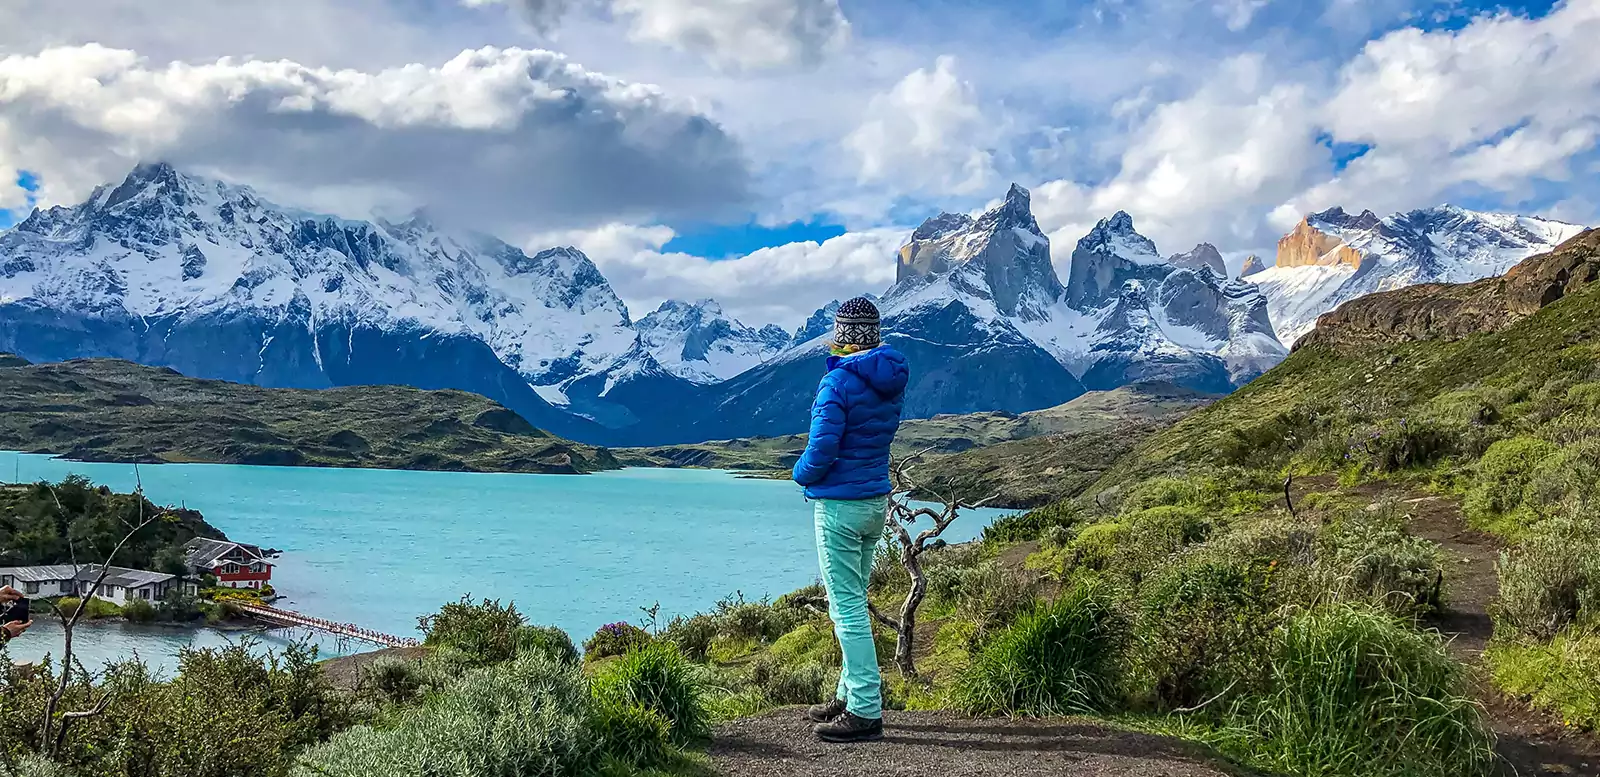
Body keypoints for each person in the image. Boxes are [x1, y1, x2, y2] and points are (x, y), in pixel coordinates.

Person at [791, 296, 908, 744]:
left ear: (841, 336)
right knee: (855, 598)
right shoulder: (890, 380)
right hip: (875, 502)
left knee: (846, 608)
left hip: (839, 507)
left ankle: (864, 709)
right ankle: (846, 693)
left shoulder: (836, 382)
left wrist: (800, 474)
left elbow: (822, 448)